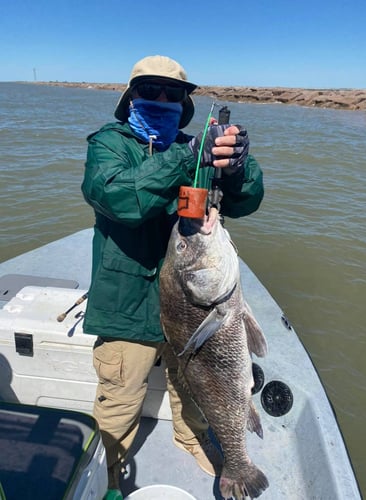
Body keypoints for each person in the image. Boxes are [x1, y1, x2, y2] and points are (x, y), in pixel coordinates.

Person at [81, 55, 264, 494]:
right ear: (131, 98)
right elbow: (117, 197)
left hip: (194, 309)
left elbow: (247, 199)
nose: (162, 99)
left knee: (196, 390)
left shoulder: (197, 149)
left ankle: (191, 438)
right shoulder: (109, 145)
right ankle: (110, 464)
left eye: (173, 93)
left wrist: (237, 169)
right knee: (121, 396)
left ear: (184, 103)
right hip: (130, 303)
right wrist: (184, 157)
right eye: (150, 91)